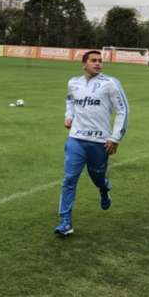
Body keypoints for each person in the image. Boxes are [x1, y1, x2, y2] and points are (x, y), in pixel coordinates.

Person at [55, 50, 129, 237]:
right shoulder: (74, 82)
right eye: (93, 60)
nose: (98, 63)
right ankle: (65, 222)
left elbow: (123, 110)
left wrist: (115, 138)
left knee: (97, 177)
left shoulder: (110, 83)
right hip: (76, 139)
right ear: (84, 64)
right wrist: (68, 116)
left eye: (100, 61)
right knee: (69, 179)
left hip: (99, 142)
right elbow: (70, 101)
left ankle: (104, 189)